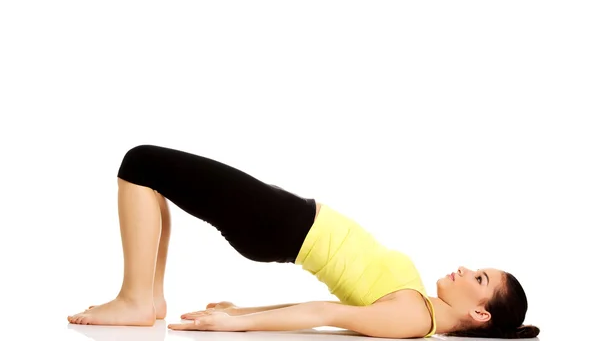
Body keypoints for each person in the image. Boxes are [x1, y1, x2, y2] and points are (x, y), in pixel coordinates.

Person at [67, 145, 540, 339]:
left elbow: (323, 315)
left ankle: (135, 297)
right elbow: (322, 304)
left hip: (281, 225)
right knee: (152, 176)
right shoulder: (419, 302)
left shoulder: (415, 317)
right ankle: (147, 297)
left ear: (481, 312)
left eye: (479, 278)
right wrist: (242, 310)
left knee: (140, 164)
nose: (465, 268)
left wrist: (235, 327)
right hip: (287, 218)